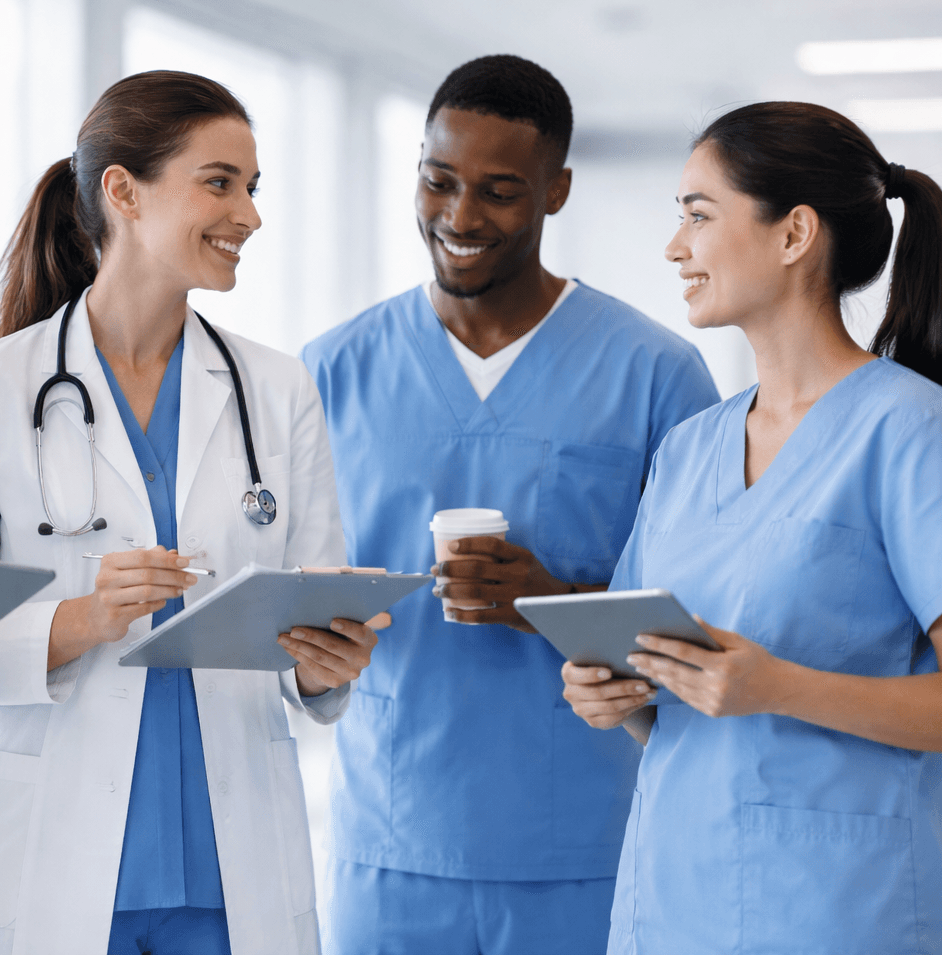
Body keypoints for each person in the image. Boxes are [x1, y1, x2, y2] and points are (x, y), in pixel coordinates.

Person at [0, 70, 382, 955]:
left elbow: (316, 603)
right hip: (44, 850)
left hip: (230, 869)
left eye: (253, 187)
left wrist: (328, 662)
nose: (249, 214)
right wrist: (82, 619)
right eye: (219, 182)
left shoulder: (276, 388)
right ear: (122, 191)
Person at [561, 101, 942, 954]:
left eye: (698, 216)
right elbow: (679, 694)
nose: (675, 248)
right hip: (670, 905)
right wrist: (622, 695)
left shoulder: (913, 433)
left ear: (793, 234)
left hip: (837, 915)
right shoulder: (689, 448)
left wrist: (776, 686)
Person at [300, 55, 721, 955]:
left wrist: (554, 601)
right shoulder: (330, 371)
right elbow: (295, 606)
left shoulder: (655, 374)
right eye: (438, 181)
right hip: (391, 841)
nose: (460, 218)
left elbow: (704, 614)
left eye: (498, 191)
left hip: (585, 842)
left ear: (555, 190)